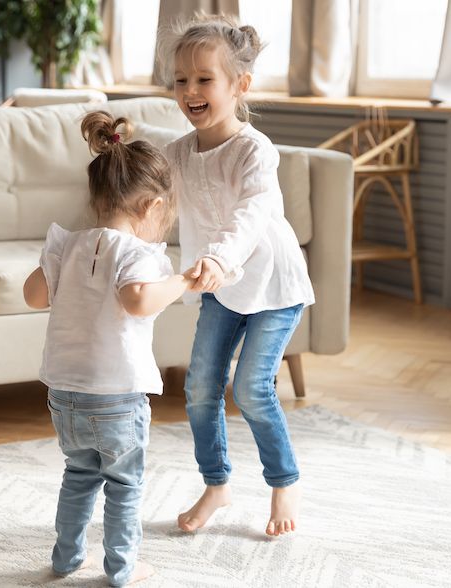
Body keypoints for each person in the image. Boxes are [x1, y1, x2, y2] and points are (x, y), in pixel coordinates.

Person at [161, 15, 316, 537]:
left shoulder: (255, 150)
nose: (190, 90)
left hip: (272, 284)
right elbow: (152, 205)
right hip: (220, 287)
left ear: (239, 86)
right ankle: (217, 483)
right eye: (181, 80)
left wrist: (219, 260)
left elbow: (249, 216)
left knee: (251, 388)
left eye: (204, 79)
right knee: (201, 388)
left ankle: (284, 480)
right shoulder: (178, 153)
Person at [23, 111, 191, 586]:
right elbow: (137, 301)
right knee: (124, 483)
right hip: (116, 394)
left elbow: (34, 296)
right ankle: (122, 568)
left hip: (64, 393)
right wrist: (178, 280)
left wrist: (55, 267)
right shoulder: (138, 253)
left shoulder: (67, 244)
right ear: (152, 206)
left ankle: (66, 557)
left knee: (78, 474)